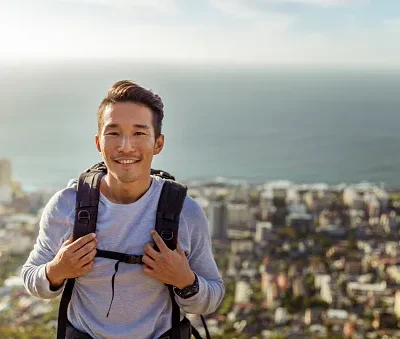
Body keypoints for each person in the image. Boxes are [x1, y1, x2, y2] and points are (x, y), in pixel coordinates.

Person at [21, 80, 225, 338]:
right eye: (113, 133)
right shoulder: (67, 205)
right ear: (98, 142)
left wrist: (185, 281)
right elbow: (31, 278)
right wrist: (57, 270)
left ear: (158, 144)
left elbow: (213, 296)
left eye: (139, 133)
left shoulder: (185, 212)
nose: (125, 146)